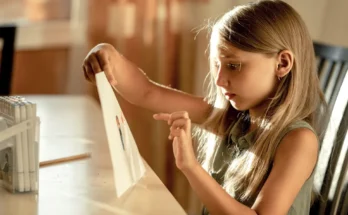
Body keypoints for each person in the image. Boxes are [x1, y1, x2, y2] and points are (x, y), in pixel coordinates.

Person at [82, 1, 327, 214]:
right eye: (217, 66)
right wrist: (107, 54)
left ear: (282, 64)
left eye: (234, 65)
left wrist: (190, 166)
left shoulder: (298, 140)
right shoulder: (235, 121)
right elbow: (147, 92)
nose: (219, 81)